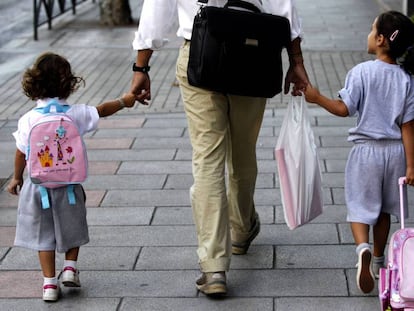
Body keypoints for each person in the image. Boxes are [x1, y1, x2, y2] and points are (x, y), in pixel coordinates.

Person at [130, 0, 309, 296]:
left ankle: (214, 266)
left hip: (201, 49)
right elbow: (284, 7)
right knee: (243, 151)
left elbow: (156, 10)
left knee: (207, 158)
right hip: (255, 48)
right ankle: (240, 229)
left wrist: (141, 66)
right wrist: (296, 61)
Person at [7, 52, 136, 302]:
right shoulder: (75, 113)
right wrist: (124, 101)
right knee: (72, 225)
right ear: (68, 84)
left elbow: (21, 153)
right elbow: (101, 110)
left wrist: (16, 178)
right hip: (68, 184)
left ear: (34, 84)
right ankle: (69, 268)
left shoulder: (28, 119)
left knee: (44, 235)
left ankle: (49, 285)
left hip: (38, 187)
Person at [304, 11, 414, 294]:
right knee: (385, 211)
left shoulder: (361, 72)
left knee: (360, 206)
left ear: (379, 40)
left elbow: (344, 109)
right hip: (396, 154)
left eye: (371, 29)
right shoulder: (406, 79)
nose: (368, 34)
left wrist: (317, 98)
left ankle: (362, 249)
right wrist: (412, 166)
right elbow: (408, 127)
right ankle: (379, 260)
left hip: (366, 152)